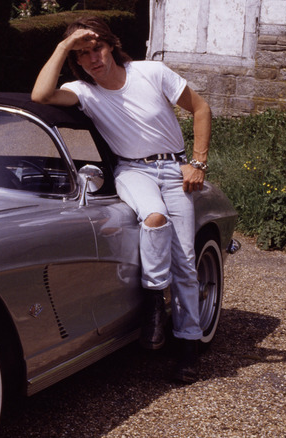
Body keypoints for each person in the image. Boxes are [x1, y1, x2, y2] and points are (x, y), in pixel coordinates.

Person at [31, 16, 212, 383]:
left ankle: (188, 348)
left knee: (187, 263)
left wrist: (198, 163)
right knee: (154, 218)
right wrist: (63, 46)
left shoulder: (152, 72)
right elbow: (41, 96)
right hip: (133, 171)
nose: (93, 58)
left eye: (96, 47)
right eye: (82, 54)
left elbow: (201, 109)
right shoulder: (83, 92)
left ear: (110, 45)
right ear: (76, 61)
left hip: (175, 169)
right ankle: (154, 303)